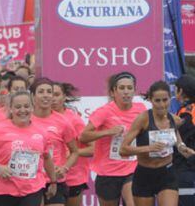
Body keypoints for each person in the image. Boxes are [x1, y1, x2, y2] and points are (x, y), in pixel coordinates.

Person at [0, 91, 56, 206]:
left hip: (32, 188)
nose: (23, 110)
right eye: (18, 107)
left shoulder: (42, 131)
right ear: (11, 109)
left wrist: (53, 181)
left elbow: (47, 158)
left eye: (27, 106)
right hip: (3, 190)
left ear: (32, 107)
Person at [119, 81, 195, 206]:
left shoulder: (173, 119)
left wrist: (183, 148)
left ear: (170, 99)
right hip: (144, 175)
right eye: (157, 100)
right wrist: (149, 148)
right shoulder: (142, 119)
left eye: (165, 100)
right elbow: (123, 149)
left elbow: (177, 141)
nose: (161, 105)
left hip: (167, 174)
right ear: (150, 100)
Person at [80, 72, 145, 206]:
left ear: (134, 91)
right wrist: (108, 132)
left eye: (129, 88)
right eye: (121, 88)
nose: (126, 92)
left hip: (132, 169)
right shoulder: (104, 112)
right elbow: (83, 136)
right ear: (113, 92)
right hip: (107, 172)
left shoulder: (141, 110)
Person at [27, 79, 79, 206]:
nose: (46, 95)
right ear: (33, 96)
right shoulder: (25, 119)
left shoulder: (63, 122)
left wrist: (65, 168)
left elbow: (75, 152)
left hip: (55, 179)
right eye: (41, 92)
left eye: (49, 92)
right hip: (30, 180)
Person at [52, 82, 91, 206]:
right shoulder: (40, 118)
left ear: (64, 97)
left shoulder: (74, 119)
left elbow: (93, 149)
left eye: (57, 94)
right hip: (49, 177)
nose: (52, 98)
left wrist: (72, 153)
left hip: (73, 177)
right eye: (49, 94)